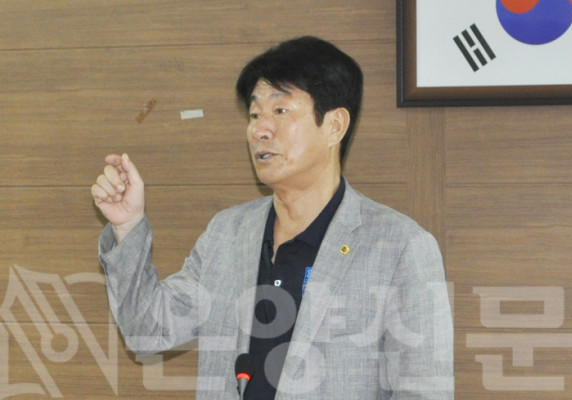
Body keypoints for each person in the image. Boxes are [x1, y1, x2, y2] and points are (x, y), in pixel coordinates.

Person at [91, 36, 454, 400]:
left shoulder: (399, 247)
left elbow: (424, 392)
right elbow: (147, 331)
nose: (259, 130)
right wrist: (127, 226)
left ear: (334, 125)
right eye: (254, 114)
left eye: (280, 111)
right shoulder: (227, 234)